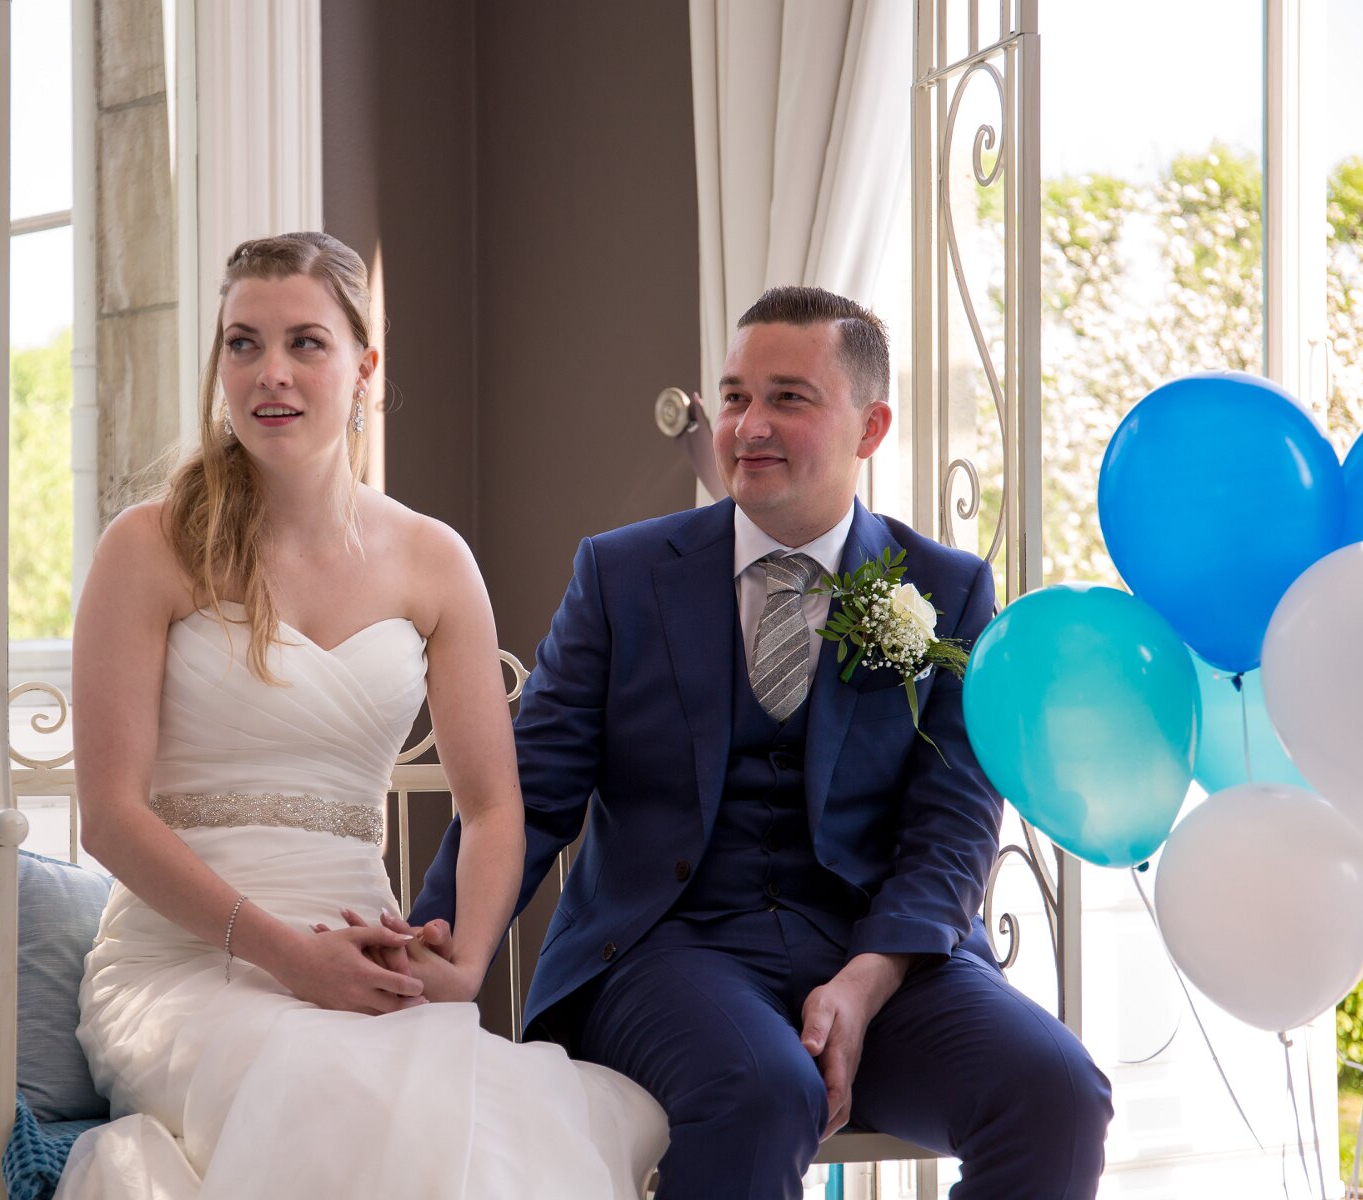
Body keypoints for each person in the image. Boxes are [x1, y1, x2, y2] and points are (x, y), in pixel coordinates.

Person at [408, 286, 1113, 1198]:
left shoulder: (950, 590)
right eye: (736, 396)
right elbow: (529, 796)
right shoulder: (622, 575)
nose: (749, 426)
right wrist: (435, 951)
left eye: (789, 398)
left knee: (1058, 1093)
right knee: (762, 1093)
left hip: (880, 958)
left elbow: (954, 826)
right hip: (665, 954)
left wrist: (868, 980)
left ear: (871, 427)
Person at [58, 232, 667, 1199]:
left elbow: (492, 806)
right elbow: (110, 818)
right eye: (243, 343)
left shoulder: (433, 559)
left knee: (493, 1130)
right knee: (331, 1095)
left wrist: (464, 962)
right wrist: (292, 960)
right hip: (181, 967)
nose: (271, 372)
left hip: (365, 962)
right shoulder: (149, 546)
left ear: (364, 368)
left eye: (305, 342)